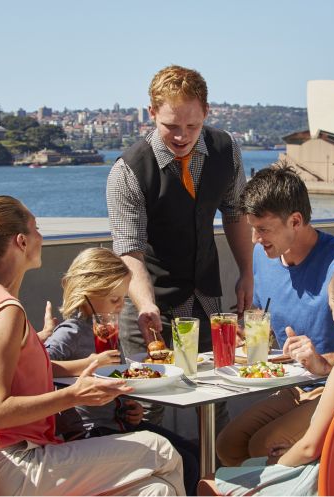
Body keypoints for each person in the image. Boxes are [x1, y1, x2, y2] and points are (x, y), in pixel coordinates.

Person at [0, 195, 184, 495]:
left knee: (156, 490)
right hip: (19, 465)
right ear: (21, 242)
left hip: (11, 462)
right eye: (36, 228)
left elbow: (19, 370)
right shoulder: (5, 311)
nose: (41, 236)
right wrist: (74, 395)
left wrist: (77, 360)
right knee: (162, 450)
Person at [106, 65, 253, 427]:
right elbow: (130, 249)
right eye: (171, 126)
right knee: (145, 408)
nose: (182, 136)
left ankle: (211, 481)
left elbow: (235, 213)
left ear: (206, 111)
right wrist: (145, 305)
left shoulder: (226, 150)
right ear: (152, 112)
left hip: (206, 297)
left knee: (214, 398)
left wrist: (247, 273)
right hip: (148, 301)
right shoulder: (128, 171)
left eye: (192, 126)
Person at [214, 259, 334, 495]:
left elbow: (308, 449)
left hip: (320, 479)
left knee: (212, 483)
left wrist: (275, 463)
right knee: (242, 456)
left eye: (331, 308)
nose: (332, 313)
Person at [215, 163, 334, 466]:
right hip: (293, 386)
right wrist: (250, 335)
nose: (254, 239)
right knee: (228, 445)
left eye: (263, 229)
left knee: (261, 446)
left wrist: (325, 362)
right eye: (253, 228)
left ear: (295, 221)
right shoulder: (263, 257)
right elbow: (267, 322)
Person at [44, 247, 199, 495]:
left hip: (119, 422)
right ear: (89, 293)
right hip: (90, 431)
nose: (119, 308)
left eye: (122, 299)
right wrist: (89, 363)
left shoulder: (106, 327)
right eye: (115, 300)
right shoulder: (70, 331)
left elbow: (112, 377)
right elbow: (40, 367)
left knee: (193, 454)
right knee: (187, 463)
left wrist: (128, 405)